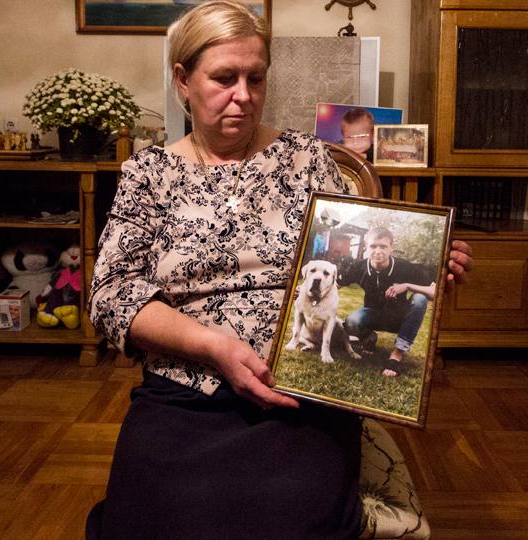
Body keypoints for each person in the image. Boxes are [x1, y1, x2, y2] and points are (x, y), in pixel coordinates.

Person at [87, 2, 472, 538]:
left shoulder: (308, 159)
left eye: (256, 78)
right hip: (185, 390)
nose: (244, 95)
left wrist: (431, 262)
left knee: (287, 518)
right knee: (149, 522)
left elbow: (355, 255)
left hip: (295, 392)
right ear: (183, 80)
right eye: (224, 78)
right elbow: (111, 295)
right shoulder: (148, 173)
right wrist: (214, 347)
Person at [338, 227, 437, 377]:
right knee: (351, 322)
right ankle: (369, 337)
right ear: (366, 247)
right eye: (373, 246)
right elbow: (335, 285)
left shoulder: (404, 266)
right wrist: (308, 291)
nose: (378, 251)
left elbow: (434, 292)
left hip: (399, 317)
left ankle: (397, 354)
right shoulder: (359, 267)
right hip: (373, 315)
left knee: (420, 298)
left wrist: (407, 286)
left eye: (383, 246)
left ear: (391, 247)